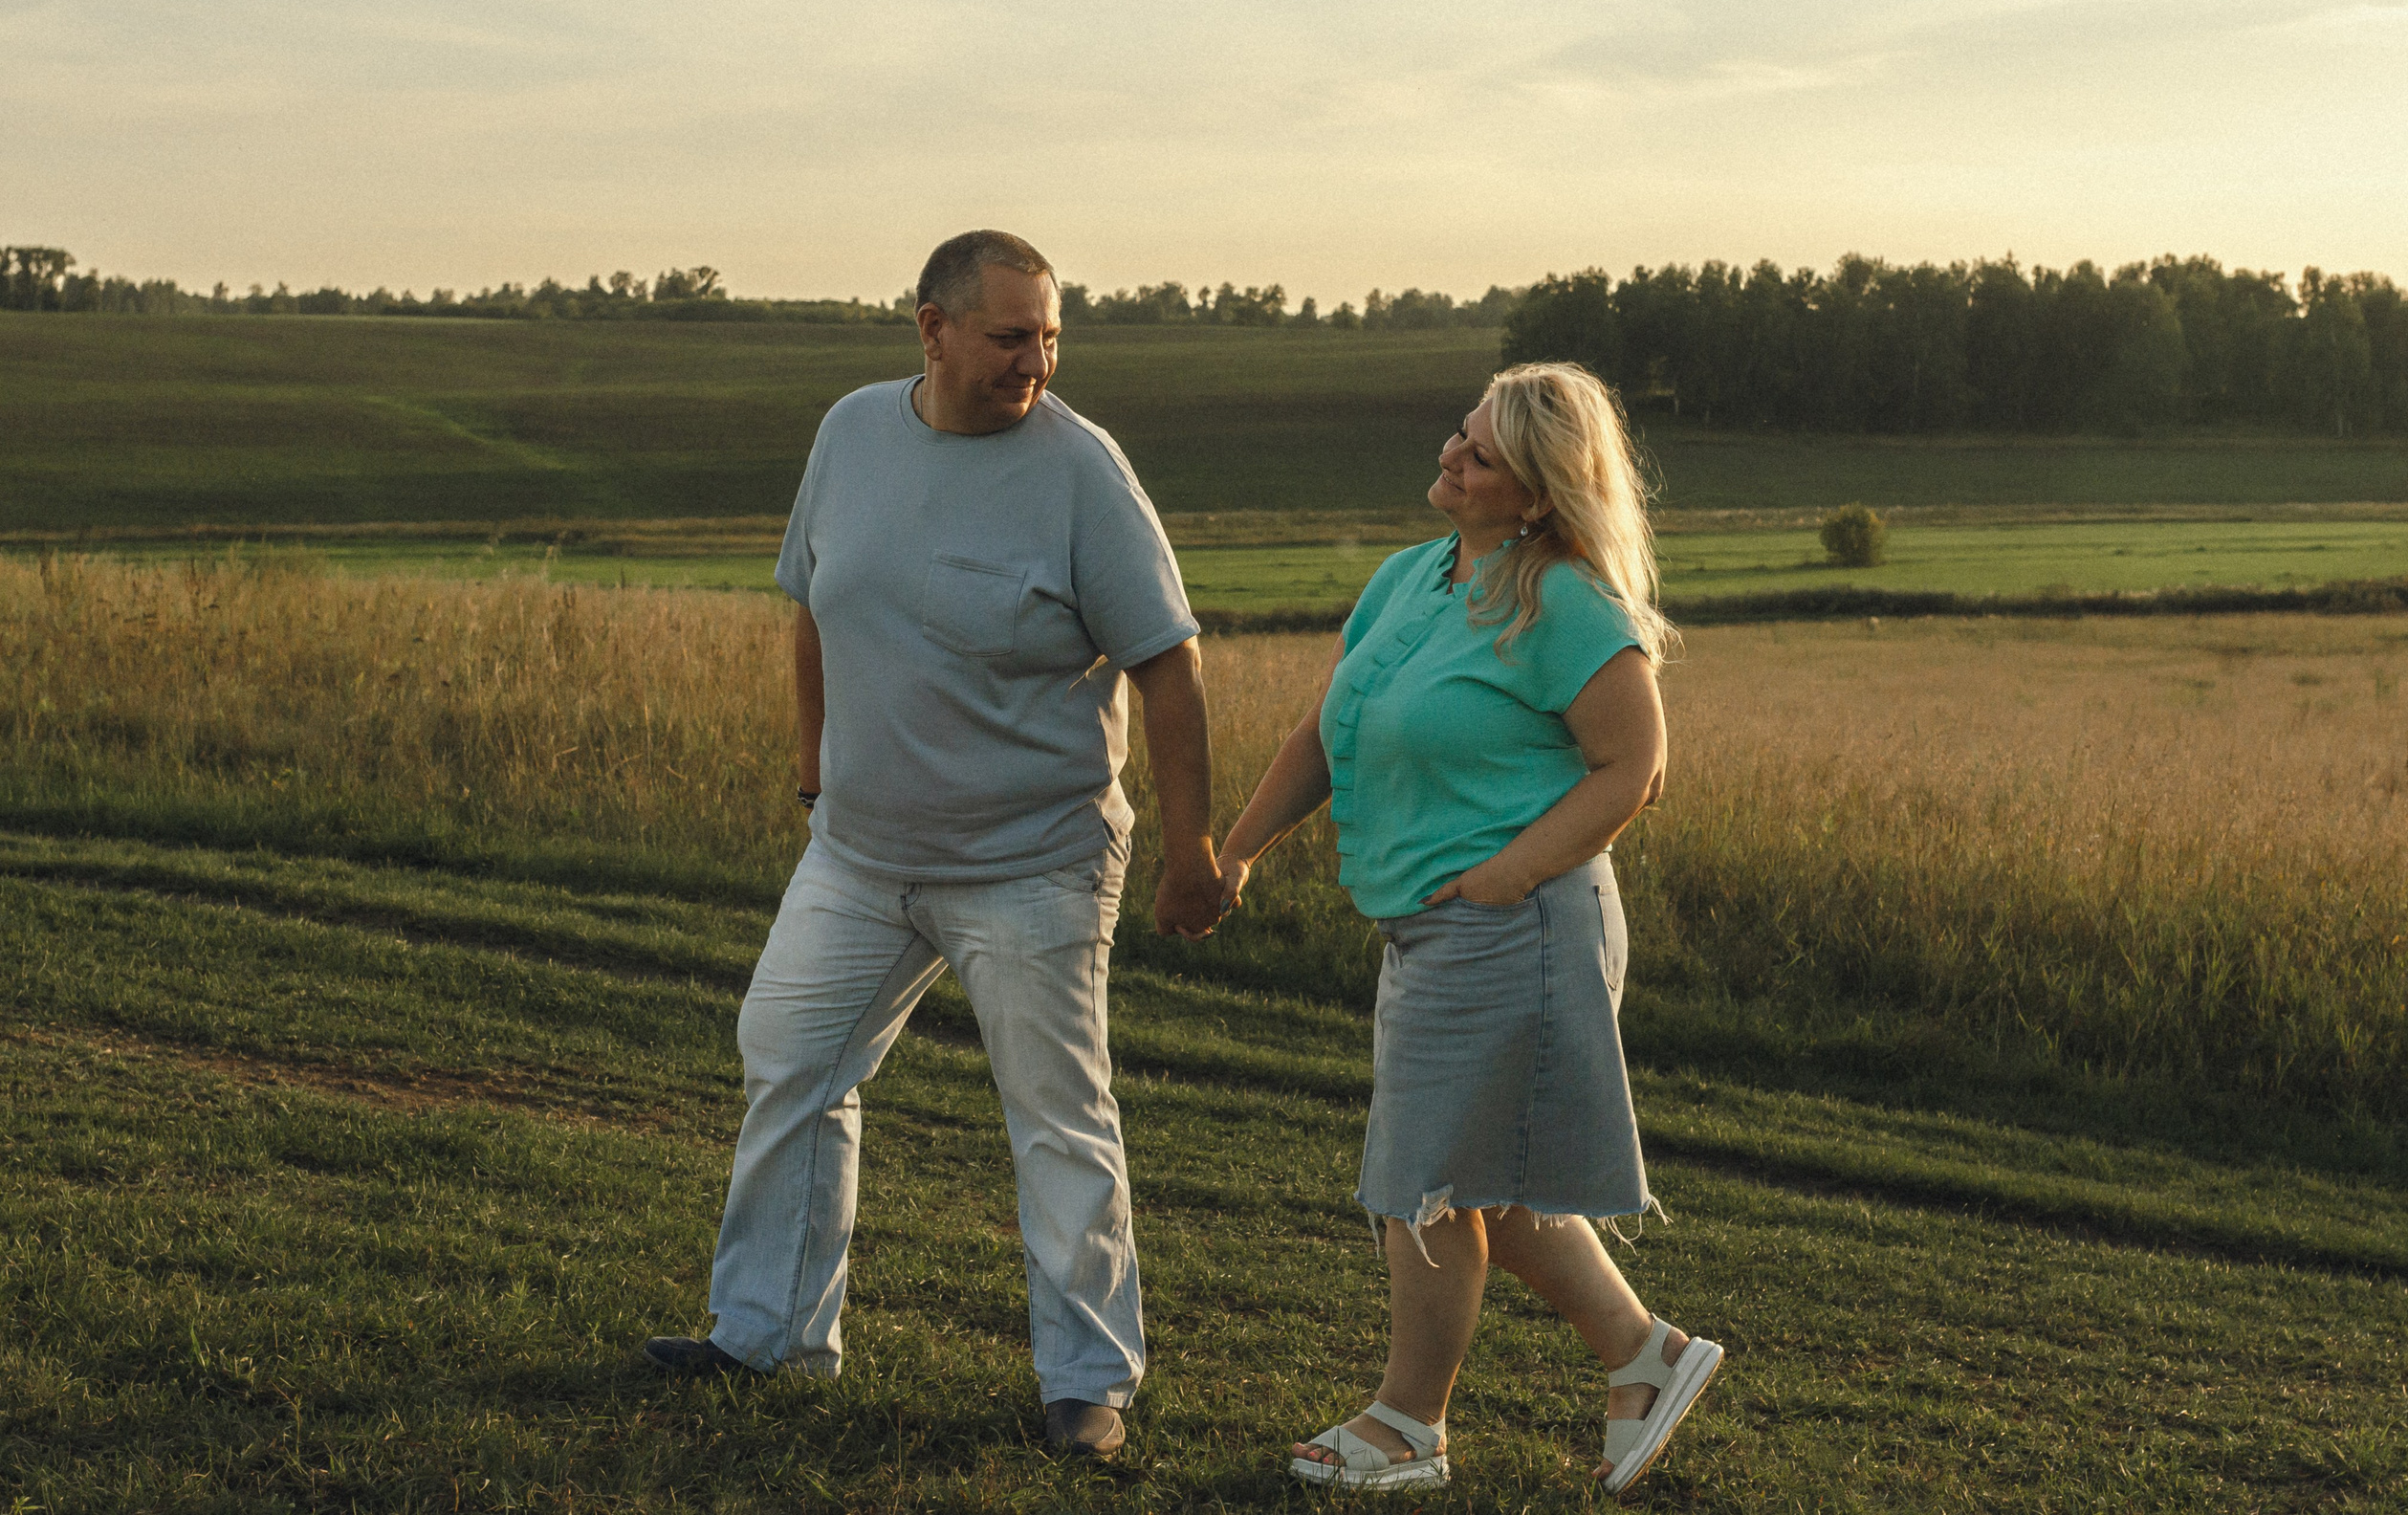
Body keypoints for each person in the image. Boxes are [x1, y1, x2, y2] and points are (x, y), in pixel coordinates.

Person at [643, 230, 1228, 1462]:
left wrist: (1190, 849)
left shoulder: (1083, 471)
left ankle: (1087, 1384)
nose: (1036, 362)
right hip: (857, 855)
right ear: (932, 329)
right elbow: (812, 596)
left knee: (1056, 1116)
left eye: (1051, 337)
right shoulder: (850, 431)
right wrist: (812, 758)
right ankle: (767, 1335)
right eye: (1011, 336)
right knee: (789, 1062)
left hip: (1035, 862)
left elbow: (1167, 667)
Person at [1217, 362, 1722, 1494]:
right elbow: (1321, 731)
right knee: (1484, 1179)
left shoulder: (1567, 606)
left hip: (1518, 925)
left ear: (1538, 494)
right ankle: (1647, 1355)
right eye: (1460, 433)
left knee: (1423, 1179)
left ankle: (1408, 1425)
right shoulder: (1411, 578)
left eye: (1482, 454)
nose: (1451, 456)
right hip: (1438, 924)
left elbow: (1632, 768)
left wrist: (1504, 876)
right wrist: (1238, 849)